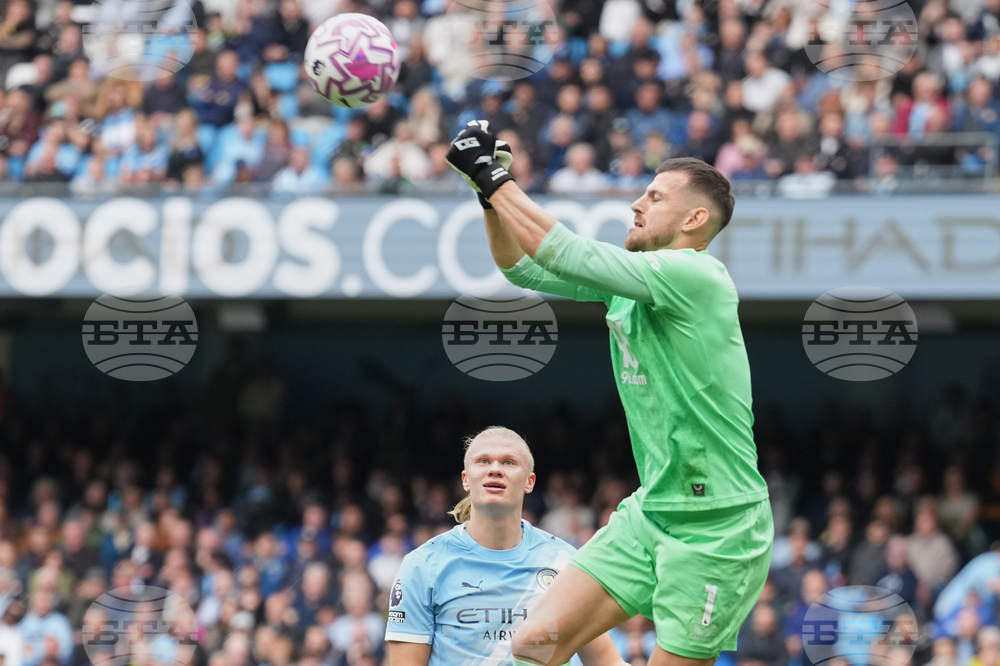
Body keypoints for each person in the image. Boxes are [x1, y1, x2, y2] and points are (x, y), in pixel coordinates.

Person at [444, 120, 773, 666]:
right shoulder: (635, 281)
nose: (635, 204)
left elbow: (565, 252)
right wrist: (488, 197)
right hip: (652, 511)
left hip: (719, 527)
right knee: (533, 645)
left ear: (694, 219)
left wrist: (491, 172)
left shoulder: (697, 276)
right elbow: (521, 266)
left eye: (654, 196)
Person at [384, 426, 624, 666]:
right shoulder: (423, 565)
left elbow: (606, 661)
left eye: (509, 462)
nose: (495, 469)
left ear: (530, 482)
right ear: (466, 480)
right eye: (483, 461)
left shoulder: (564, 561)